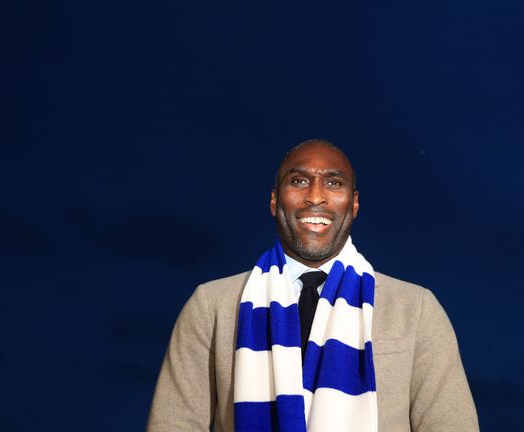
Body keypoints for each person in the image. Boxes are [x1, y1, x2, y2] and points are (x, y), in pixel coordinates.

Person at [147, 140, 479, 431]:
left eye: (334, 183)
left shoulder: (416, 310)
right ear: (275, 202)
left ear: (354, 204)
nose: (316, 197)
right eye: (299, 181)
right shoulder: (212, 307)